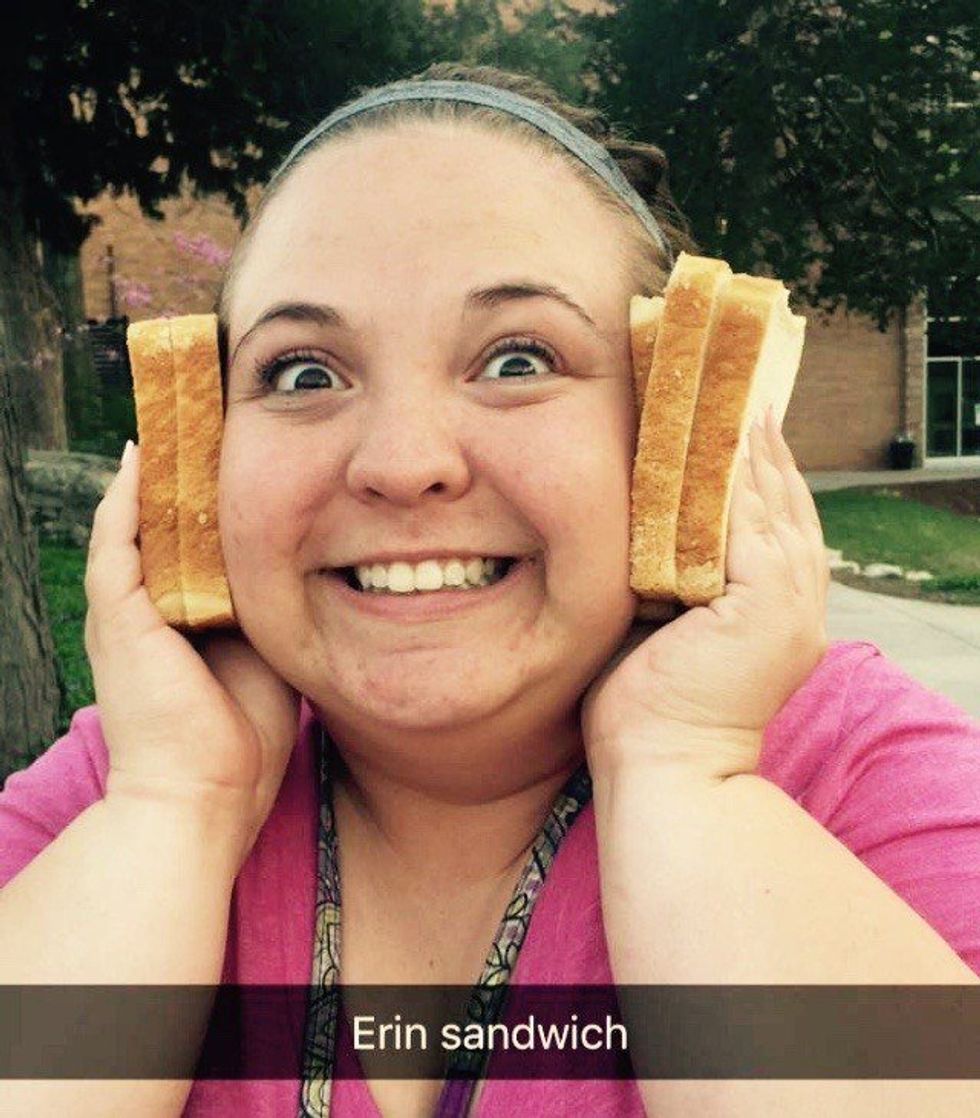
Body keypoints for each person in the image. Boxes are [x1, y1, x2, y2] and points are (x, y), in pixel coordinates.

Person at [2, 62, 979, 1118]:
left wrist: (683, 768)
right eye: (303, 373)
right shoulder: (112, 791)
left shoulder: (869, 783)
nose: (401, 462)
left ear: (686, 412)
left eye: (517, 359)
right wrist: (176, 807)